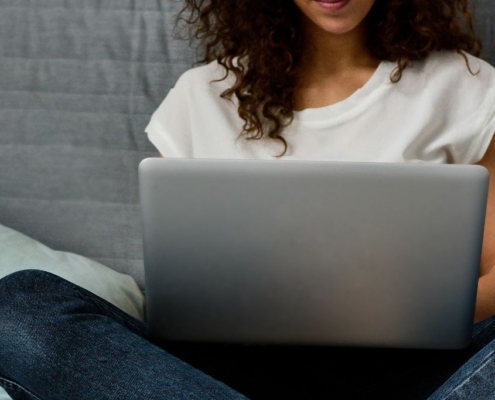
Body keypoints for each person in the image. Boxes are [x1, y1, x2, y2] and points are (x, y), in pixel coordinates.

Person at [1, 0, 495, 398]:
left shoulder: (465, 87)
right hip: (226, 373)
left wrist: (399, 313)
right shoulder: (202, 96)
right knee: (19, 304)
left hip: (408, 371)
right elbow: (178, 291)